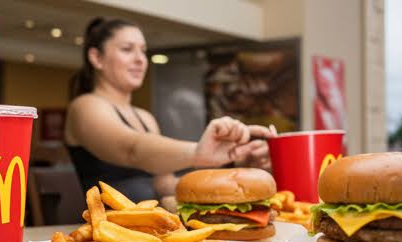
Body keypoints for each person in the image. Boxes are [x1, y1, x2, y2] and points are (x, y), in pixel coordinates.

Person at [66, 17, 276, 203]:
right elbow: (132, 150)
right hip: (104, 237)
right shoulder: (85, 106)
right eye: (127, 49)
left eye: (143, 50)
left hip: (150, 232)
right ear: (96, 58)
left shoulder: (145, 117)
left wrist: (234, 167)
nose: (140, 59)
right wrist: (196, 152)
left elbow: (166, 185)